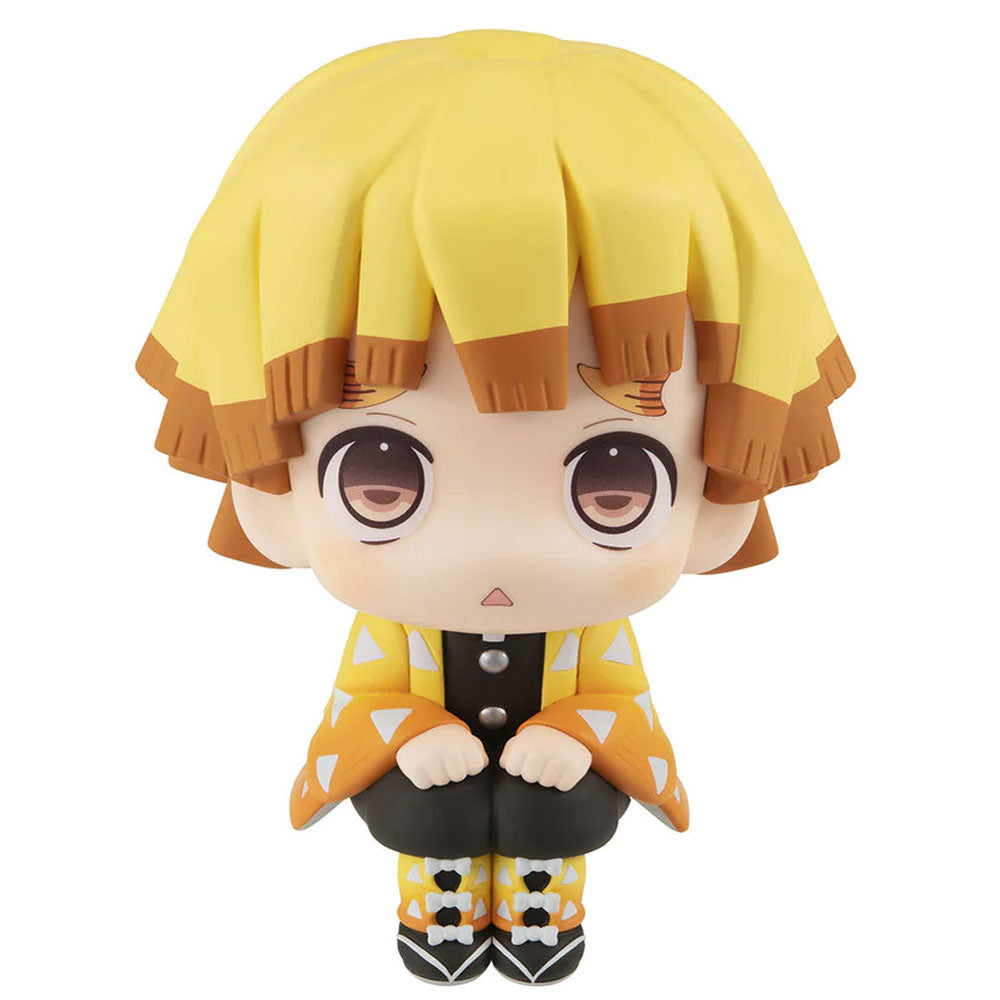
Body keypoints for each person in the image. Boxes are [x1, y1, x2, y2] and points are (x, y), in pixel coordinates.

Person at [136, 29, 854, 985]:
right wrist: (407, 733)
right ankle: (434, 920)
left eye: (615, 480)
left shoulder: (590, 639)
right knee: (425, 813)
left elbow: (627, 715)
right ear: (262, 468)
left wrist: (578, 734)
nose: (496, 555)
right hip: (424, 793)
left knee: (556, 814)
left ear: (723, 477)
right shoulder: (392, 634)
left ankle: (543, 920)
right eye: (380, 472)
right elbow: (353, 717)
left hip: (554, 796)